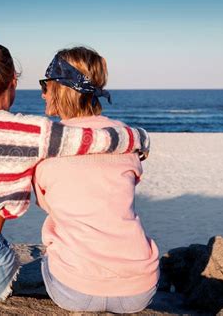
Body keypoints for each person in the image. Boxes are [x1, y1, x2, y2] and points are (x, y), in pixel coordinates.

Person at [0, 26, 149, 305]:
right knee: (11, 257)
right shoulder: (28, 132)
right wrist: (139, 137)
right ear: (13, 82)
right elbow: (90, 139)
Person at [33, 47, 159, 313]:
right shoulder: (124, 138)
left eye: (46, 85)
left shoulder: (48, 147)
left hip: (75, 289)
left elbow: (46, 204)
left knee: (47, 253)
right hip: (139, 288)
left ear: (60, 88)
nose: (43, 93)